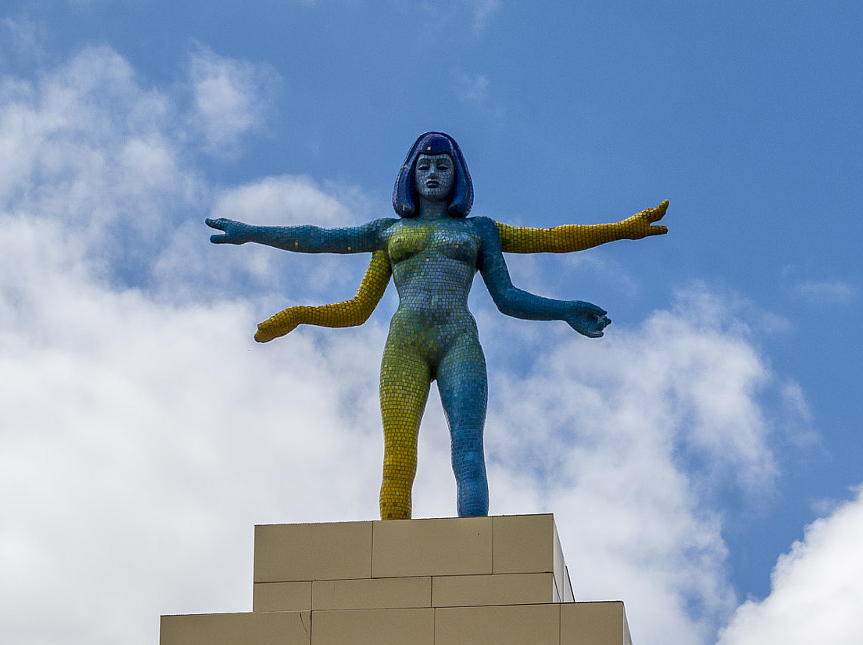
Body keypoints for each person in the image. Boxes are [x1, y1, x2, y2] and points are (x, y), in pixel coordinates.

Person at [208, 131, 666, 520]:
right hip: (404, 344)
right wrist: (265, 255)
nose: (432, 174)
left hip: (458, 343)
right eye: (424, 165)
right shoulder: (388, 233)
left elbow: (539, 254)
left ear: (457, 176)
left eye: (442, 167)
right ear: (409, 174)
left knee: (468, 452)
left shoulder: (479, 230)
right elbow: (332, 262)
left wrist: (617, 236)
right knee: (398, 458)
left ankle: (474, 555)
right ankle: (390, 558)